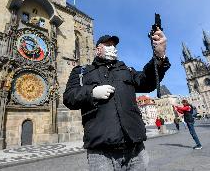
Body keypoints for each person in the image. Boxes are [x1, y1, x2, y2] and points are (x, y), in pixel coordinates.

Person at [63, 28, 170, 171]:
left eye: (114, 45)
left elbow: (147, 81)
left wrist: (159, 56)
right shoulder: (82, 72)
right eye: (108, 44)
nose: (112, 47)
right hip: (101, 152)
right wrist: (91, 92)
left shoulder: (126, 70)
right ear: (97, 49)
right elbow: (69, 97)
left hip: (135, 148)